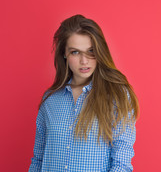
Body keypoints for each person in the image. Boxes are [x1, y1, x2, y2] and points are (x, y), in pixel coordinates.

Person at [29, 14, 139, 172]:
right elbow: (38, 160)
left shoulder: (117, 96)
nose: (84, 61)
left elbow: (121, 164)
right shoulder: (50, 100)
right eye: (75, 52)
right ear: (64, 54)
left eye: (91, 51)